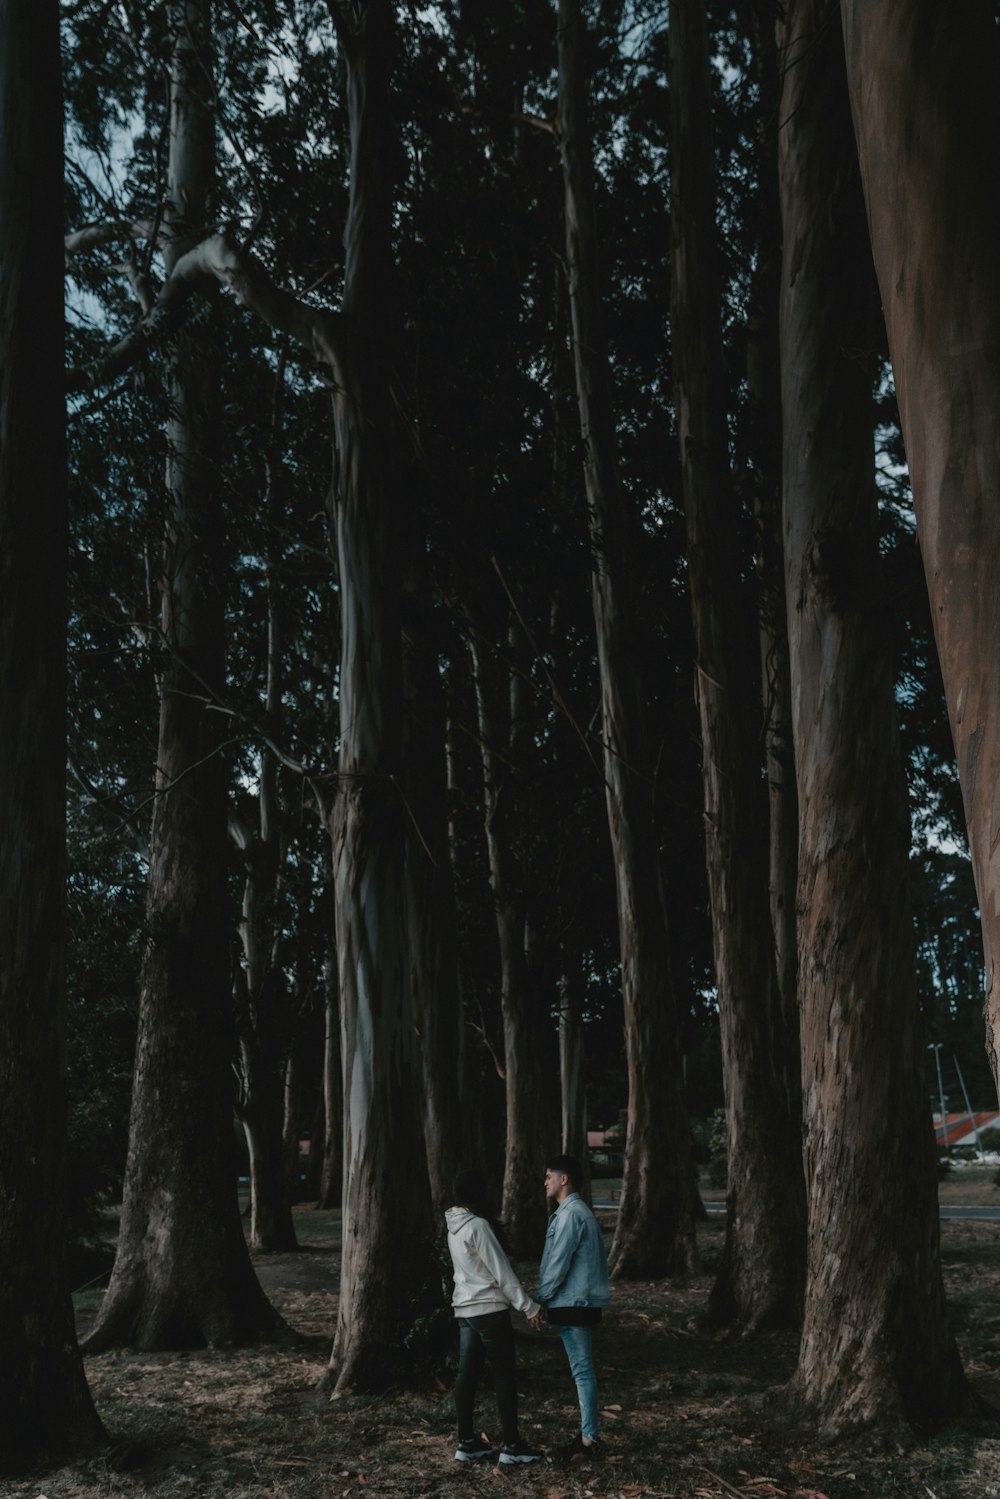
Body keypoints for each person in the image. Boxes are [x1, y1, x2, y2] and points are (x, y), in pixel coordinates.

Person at [445, 1170, 545, 1467]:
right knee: (504, 1376)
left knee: (467, 1375)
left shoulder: (453, 1226)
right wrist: (529, 1307)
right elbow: (501, 1272)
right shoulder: (477, 1226)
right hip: (488, 1310)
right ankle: (512, 1446)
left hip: (465, 1310)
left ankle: (467, 1442)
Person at [536, 1153, 611, 1461]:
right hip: (580, 1300)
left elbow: (558, 1263)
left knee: (582, 1370)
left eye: (549, 1177)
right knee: (582, 1369)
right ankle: (588, 1435)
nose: (545, 1183)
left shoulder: (570, 1215)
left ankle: (589, 1439)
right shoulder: (581, 1212)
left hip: (573, 1302)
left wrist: (540, 1298)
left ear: (563, 1179)